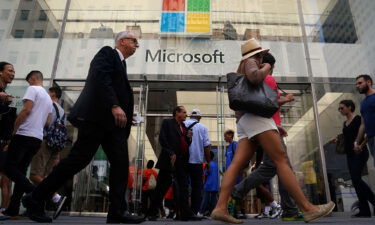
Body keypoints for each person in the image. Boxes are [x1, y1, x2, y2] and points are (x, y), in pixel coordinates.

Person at [22, 31, 144, 224]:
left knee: (121, 165)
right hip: (96, 120)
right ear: (122, 41)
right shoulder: (107, 53)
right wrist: (114, 105)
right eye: (134, 40)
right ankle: (35, 198)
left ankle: (117, 211)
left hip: (111, 126)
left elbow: (114, 87)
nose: (137, 45)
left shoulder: (122, 63)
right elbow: (100, 79)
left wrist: (128, 114)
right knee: (77, 160)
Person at [210, 38, 335, 224]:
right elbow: (255, 77)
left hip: (245, 120)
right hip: (256, 118)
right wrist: (267, 65)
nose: (263, 60)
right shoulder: (252, 62)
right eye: (261, 55)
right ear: (258, 54)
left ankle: (220, 208)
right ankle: (308, 208)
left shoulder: (240, 67)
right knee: (281, 160)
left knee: (236, 164)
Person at [232, 52, 301, 221]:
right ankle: (290, 210)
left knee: (270, 168)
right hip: (269, 129)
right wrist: (287, 99)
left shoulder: (253, 79)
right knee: (284, 168)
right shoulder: (268, 79)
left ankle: (237, 191)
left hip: (266, 128)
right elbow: (268, 104)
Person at [3, 71, 53, 219]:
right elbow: (48, 122)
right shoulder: (48, 98)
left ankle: (34, 193)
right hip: (37, 137)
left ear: (33, 78)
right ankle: (13, 209)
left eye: (29, 81)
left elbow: (26, 110)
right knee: (21, 171)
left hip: (24, 134)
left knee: (8, 168)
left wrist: (14, 131)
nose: (28, 84)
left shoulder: (33, 89)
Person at [147, 106, 202, 221]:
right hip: (169, 159)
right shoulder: (168, 123)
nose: (186, 114)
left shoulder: (184, 127)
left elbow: (186, 143)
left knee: (183, 187)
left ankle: (185, 213)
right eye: (184, 112)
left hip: (181, 161)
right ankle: (152, 212)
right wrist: (170, 153)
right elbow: (162, 139)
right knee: (162, 186)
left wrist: (189, 138)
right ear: (177, 113)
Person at [29, 86, 66, 219]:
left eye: (48, 92)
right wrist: (58, 153)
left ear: (53, 94)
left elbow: (46, 123)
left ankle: (56, 197)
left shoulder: (49, 105)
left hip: (44, 142)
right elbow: (62, 131)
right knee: (43, 176)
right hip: (54, 146)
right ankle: (38, 208)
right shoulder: (62, 110)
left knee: (34, 175)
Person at [334, 99, 375, 217]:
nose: (340, 110)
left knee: (357, 179)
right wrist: (337, 140)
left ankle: (372, 202)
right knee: (356, 182)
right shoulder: (345, 123)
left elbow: (366, 134)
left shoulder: (358, 119)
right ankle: (365, 210)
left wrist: (361, 146)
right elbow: (347, 137)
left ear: (350, 107)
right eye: (339, 108)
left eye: (342, 108)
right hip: (350, 154)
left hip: (360, 152)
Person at [184, 109, 211, 214]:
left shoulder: (183, 124)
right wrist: (208, 161)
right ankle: (195, 211)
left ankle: (182, 210)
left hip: (184, 161)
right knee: (197, 187)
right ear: (199, 117)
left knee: (183, 186)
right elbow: (207, 146)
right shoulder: (203, 127)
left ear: (190, 116)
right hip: (197, 161)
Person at [0, 61, 16, 220]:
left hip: (3, 141)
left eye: (13, 71)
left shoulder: (4, 92)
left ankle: (4, 208)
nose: (13, 74)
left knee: (6, 178)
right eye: (10, 70)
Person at [354, 75, 375, 167]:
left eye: (360, 83)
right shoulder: (363, 103)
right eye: (356, 84)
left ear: (369, 82)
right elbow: (363, 125)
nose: (357, 86)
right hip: (371, 140)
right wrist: (358, 143)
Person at [198, 151, 219, 216]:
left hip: (208, 184)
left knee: (205, 199)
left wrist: (203, 183)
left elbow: (206, 174)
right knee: (214, 200)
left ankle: (201, 212)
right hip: (215, 185)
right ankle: (214, 212)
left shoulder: (208, 165)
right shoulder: (216, 165)